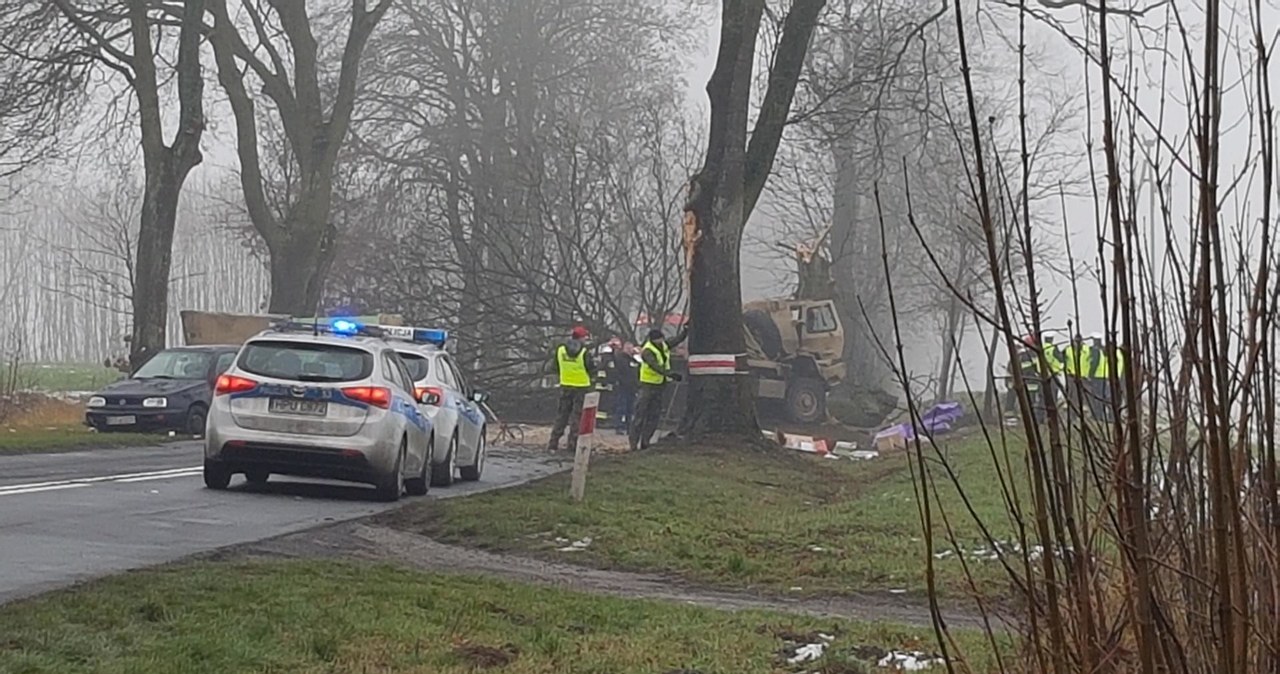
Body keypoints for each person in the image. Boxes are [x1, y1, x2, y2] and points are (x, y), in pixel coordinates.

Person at [630, 326, 688, 450]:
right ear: (654, 340)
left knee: (654, 416)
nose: (662, 341)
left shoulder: (664, 346)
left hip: (660, 385)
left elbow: (676, 340)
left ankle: (646, 441)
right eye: (659, 339)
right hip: (647, 385)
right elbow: (654, 365)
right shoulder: (647, 351)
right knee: (640, 415)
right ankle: (633, 444)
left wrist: (685, 330)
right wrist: (669, 374)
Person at [548, 325, 596, 452]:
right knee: (577, 417)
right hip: (581, 387)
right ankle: (572, 444)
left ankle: (553, 442)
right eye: (585, 337)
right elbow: (591, 369)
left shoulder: (561, 350)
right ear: (581, 338)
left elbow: (554, 367)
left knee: (562, 415)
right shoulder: (584, 352)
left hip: (565, 386)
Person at [608, 341, 639, 435]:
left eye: (631, 348)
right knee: (622, 407)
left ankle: (629, 426)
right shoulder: (620, 358)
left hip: (632, 388)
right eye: (628, 348)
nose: (630, 350)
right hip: (623, 386)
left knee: (631, 408)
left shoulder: (634, 360)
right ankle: (619, 426)